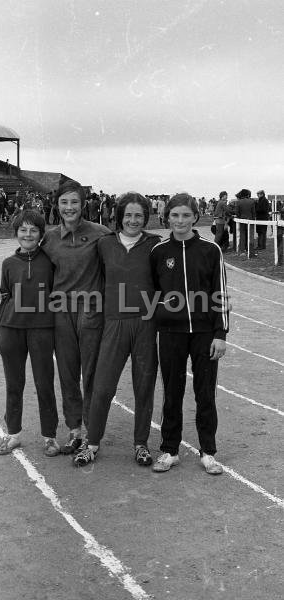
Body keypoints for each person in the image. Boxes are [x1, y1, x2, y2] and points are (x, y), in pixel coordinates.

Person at [74, 193, 161, 467]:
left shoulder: (155, 244)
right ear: (119, 216)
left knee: (144, 386)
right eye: (128, 215)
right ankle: (93, 442)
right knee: (102, 386)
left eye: (138, 215)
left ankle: (141, 444)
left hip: (145, 324)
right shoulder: (105, 245)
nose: (133, 220)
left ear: (145, 217)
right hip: (113, 323)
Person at [150, 193, 229, 475]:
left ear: (195, 217)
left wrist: (221, 333)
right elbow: (152, 292)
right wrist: (159, 317)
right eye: (175, 215)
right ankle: (170, 450)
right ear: (167, 217)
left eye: (186, 215)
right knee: (172, 392)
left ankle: (208, 451)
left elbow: (220, 292)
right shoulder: (158, 252)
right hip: (170, 333)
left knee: (205, 393)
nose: (180, 221)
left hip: (205, 334)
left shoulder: (210, 250)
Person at [41, 179, 110, 454]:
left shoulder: (101, 234)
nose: (69, 207)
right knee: (67, 373)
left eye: (74, 202)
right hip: (61, 313)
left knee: (91, 373)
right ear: (57, 205)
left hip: (91, 312)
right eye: (64, 202)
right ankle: (74, 429)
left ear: (83, 205)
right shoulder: (49, 238)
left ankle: (92, 433)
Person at [0, 210, 59, 457]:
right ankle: (13, 435)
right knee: (14, 384)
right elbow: (4, 298)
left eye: (33, 230)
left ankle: (50, 437)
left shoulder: (50, 261)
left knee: (44, 384)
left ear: (41, 235)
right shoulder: (8, 264)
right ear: (16, 233)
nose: (28, 234)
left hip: (42, 330)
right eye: (23, 230)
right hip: (12, 330)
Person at [236, 188, 257, 257]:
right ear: (247, 194)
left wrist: (239, 218)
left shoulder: (239, 202)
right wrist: (253, 220)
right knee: (250, 236)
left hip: (242, 221)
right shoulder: (251, 201)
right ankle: (250, 251)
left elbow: (237, 213)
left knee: (242, 236)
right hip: (250, 220)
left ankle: (242, 251)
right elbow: (253, 212)